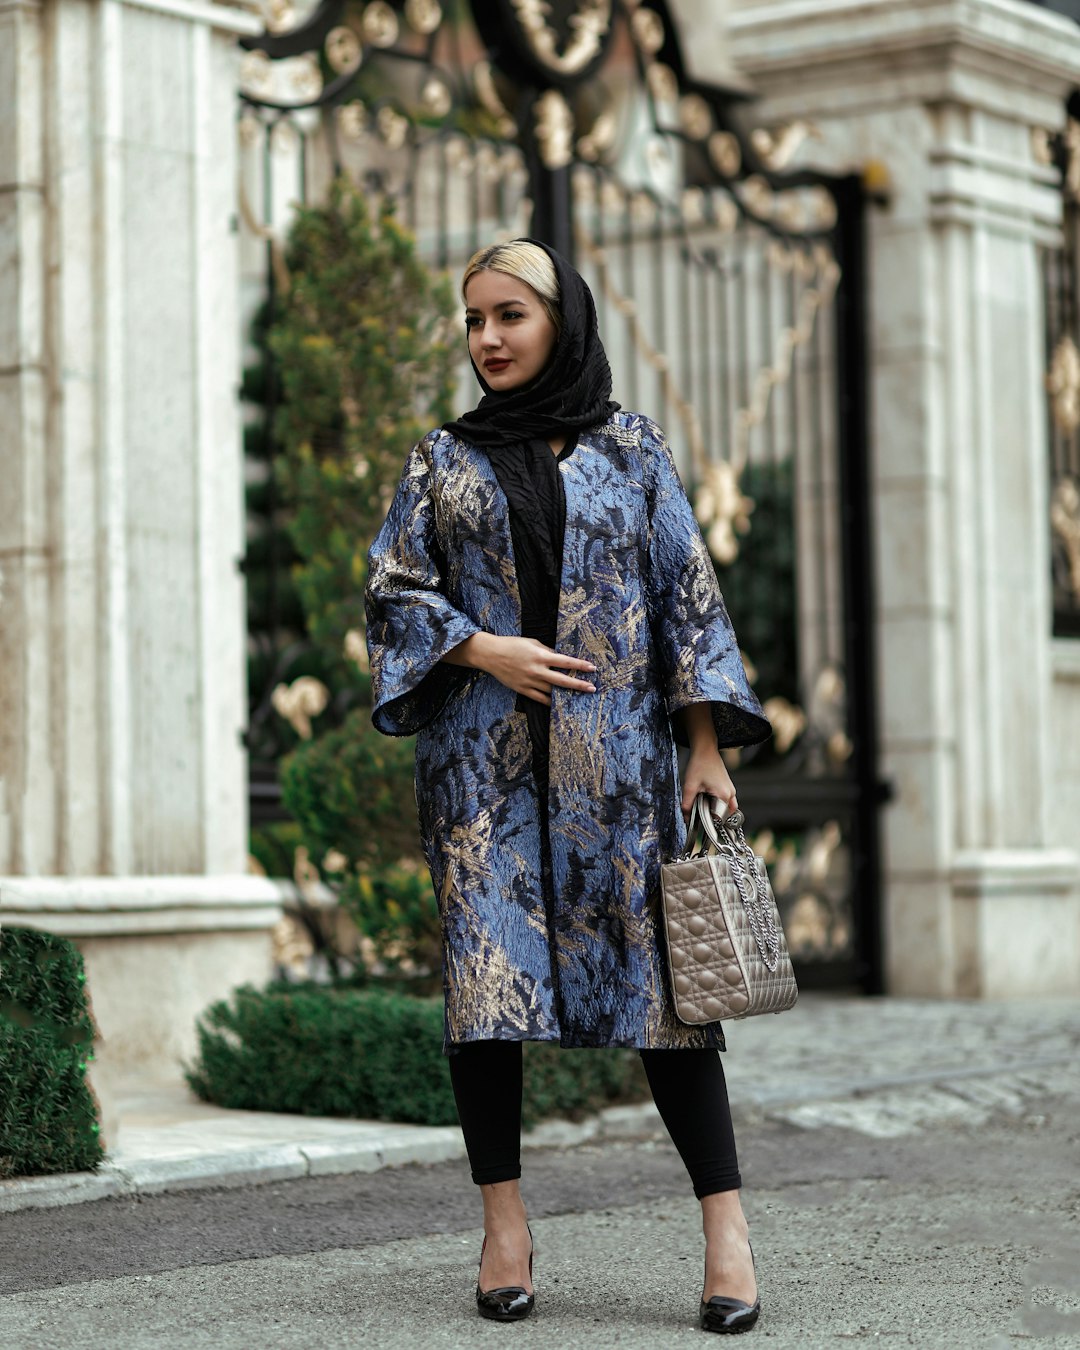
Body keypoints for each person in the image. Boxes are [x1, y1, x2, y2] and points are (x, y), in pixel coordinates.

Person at [365, 239, 772, 1333]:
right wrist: (479, 648)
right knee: (484, 1000)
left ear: (561, 321)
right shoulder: (439, 461)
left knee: (667, 1005)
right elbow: (395, 591)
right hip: (482, 775)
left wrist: (706, 745)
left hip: (625, 771)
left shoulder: (632, 448)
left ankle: (726, 1235)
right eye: (473, 321)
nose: (488, 339)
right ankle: (504, 1225)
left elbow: (687, 592)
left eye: (510, 316)